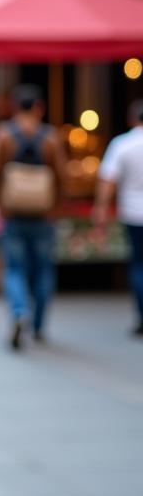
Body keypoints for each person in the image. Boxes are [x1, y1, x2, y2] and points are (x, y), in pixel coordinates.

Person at [0, 84, 67, 350]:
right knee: (43, 269)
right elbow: (62, 177)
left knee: (15, 268)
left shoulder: (3, 135)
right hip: (43, 214)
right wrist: (55, 207)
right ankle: (39, 325)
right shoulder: (51, 137)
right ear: (39, 107)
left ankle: (20, 312)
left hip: (13, 213)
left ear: (14, 107)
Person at [94, 100, 143, 337]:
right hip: (133, 212)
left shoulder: (122, 144)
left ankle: (142, 316)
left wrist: (101, 211)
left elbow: (108, 181)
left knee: (138, 265)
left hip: (134, 213)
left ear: (133, 119)